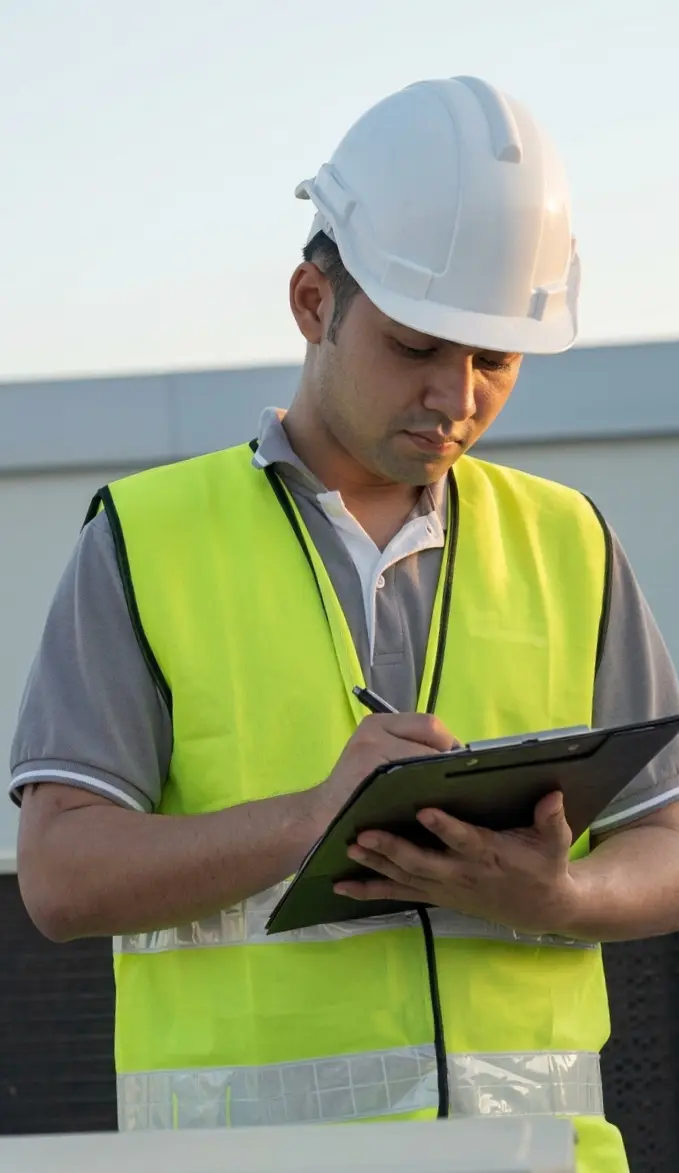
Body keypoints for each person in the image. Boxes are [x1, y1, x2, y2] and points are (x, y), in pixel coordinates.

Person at [10, 74, 679, 1173]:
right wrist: (314, 818)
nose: (455, 399)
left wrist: (561, 895)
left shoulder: (570, 543)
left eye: (493, 361)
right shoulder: (147, 538)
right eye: (417, 348)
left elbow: (663, 842)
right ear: (314, 303)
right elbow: (60, 876)